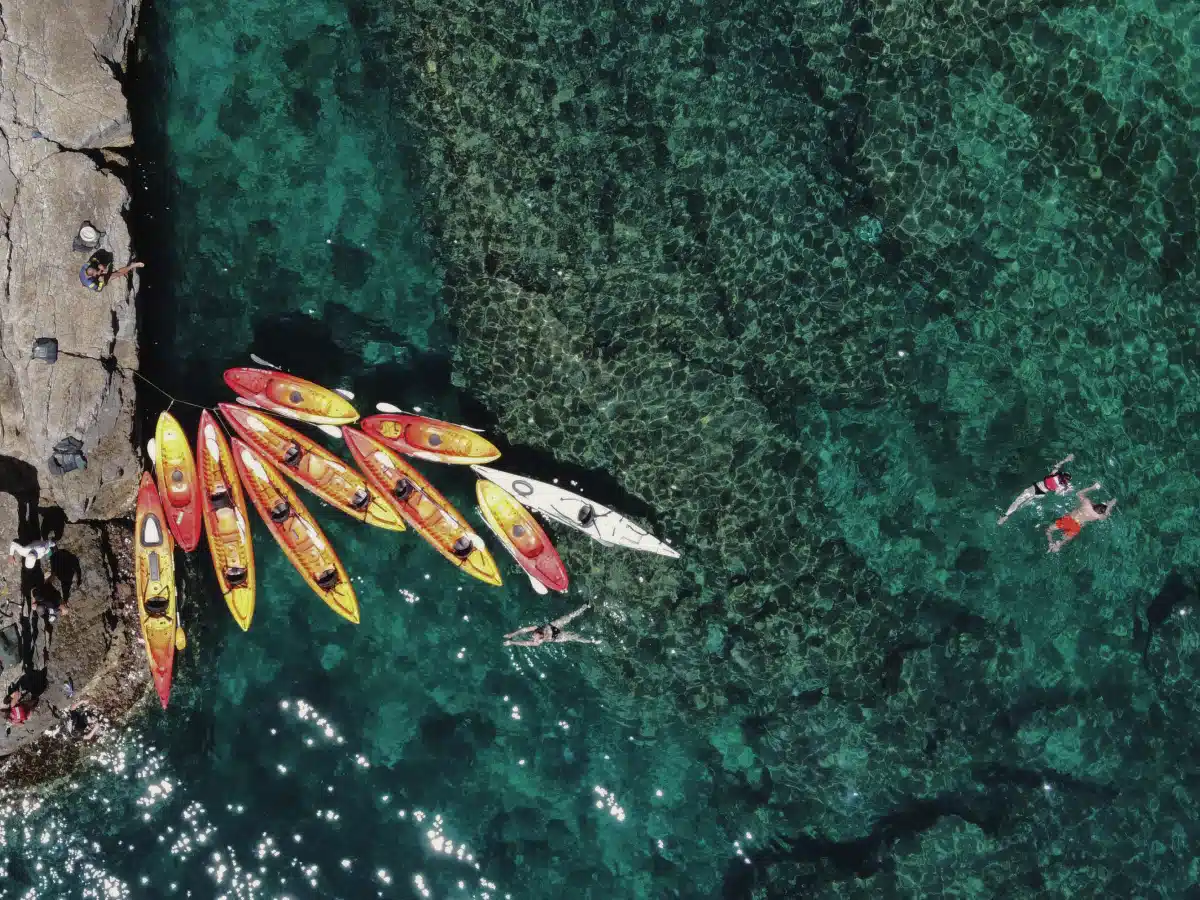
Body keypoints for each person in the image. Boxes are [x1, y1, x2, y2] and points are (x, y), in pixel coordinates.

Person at [997, 454, 1075, 525]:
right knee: (1023, 505)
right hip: (1041, 494)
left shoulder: (1054, 474)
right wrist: (1066, 489)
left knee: (1018, 501)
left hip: (1036, 488)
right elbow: (1057, 493)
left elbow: (1057, 465)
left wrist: (1066, 459)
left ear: (1062, 474)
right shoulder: (1060, 486)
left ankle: (1006, 516)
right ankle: (1011, 515)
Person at [1046, 482, 1116, 553]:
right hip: (1076, 527)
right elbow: (1106, 515)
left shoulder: (1086, 503)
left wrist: (1092, 487)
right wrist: (1109, 506)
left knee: (1049, 530)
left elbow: (1079, 493)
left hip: (1068, 520)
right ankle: (1059, 545)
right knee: (1065, 540)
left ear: (1096, 505)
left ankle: (1050, 542)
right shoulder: (1098, 516)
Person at [504, 604, 601, 647]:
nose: (534, 637)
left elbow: (523, 630)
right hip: (557, 637)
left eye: (534, 636)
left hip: (553, 626)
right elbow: (525, 643)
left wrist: (511, 635)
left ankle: (584, 607)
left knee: (569, 616)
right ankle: (592, 641)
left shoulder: (535, 629)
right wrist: (512, 642)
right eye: (534, 637)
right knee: (574, 637)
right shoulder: (538, 642)